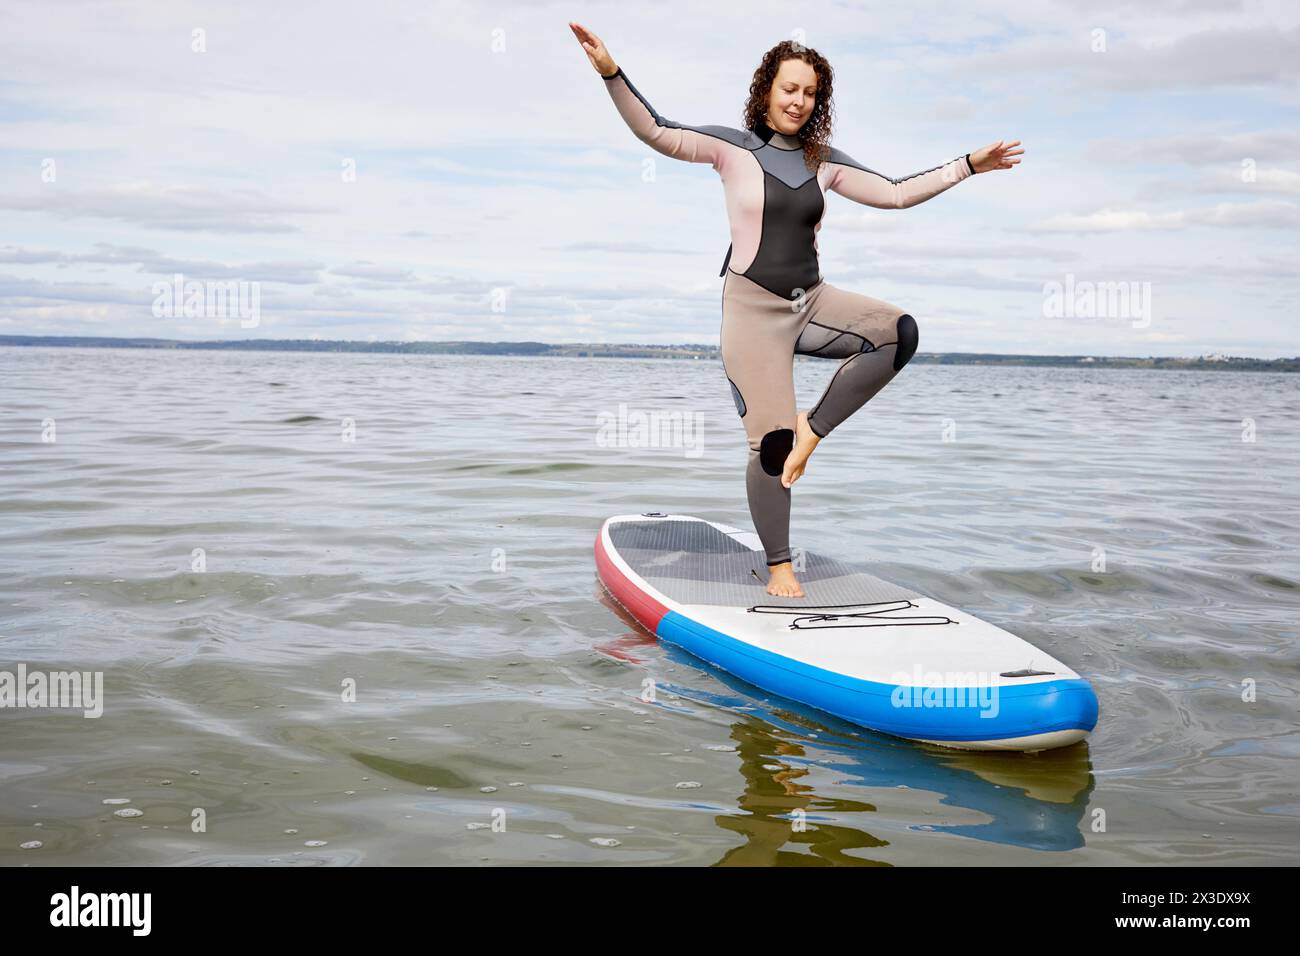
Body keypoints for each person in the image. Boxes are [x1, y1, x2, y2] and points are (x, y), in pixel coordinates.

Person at [571, 23, 1022, 597]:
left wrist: (969, 164)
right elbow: (656, 131)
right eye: (788, 89)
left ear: (818, 102)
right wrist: (612, 70)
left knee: (896, 334)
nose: (798, 101)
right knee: (771, 446)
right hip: (752, 316)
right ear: (766, 92)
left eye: (809, 93)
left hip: (813, 302)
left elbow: (896, 191)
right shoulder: (731, 148)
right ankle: (779, 563)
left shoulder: (823, 161)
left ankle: (814, 428)